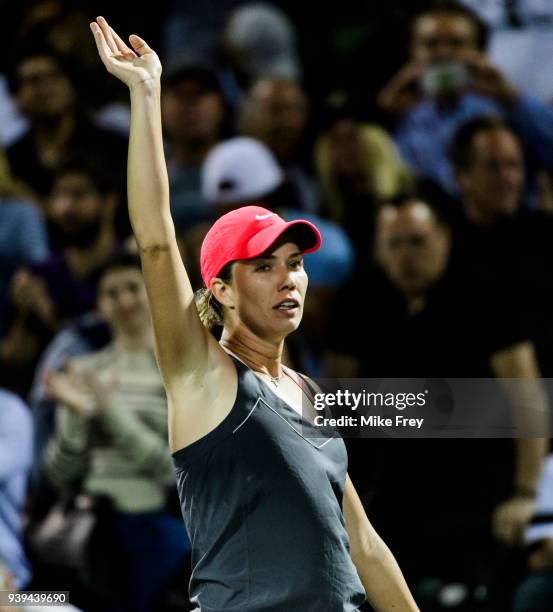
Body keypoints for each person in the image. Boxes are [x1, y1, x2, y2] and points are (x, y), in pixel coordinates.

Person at [89, 16, 419, 611]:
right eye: (262, 266)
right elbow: (158, 242)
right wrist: (146, 95)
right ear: (222, 290)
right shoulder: (203, 376)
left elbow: (364, 546)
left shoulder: (310, 394)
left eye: (294, 262)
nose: (288, 277)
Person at [42, 251, 190, 612]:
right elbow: (61, 474)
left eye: (132, 288)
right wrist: (78, 417)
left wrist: (106, 412)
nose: (124, 300)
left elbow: (177, 470)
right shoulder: (81, 369)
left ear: (151, 291)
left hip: (159, 531)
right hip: (89, 531)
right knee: (32, 599)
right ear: (99, 305)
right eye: (112, 292)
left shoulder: (180, 372)